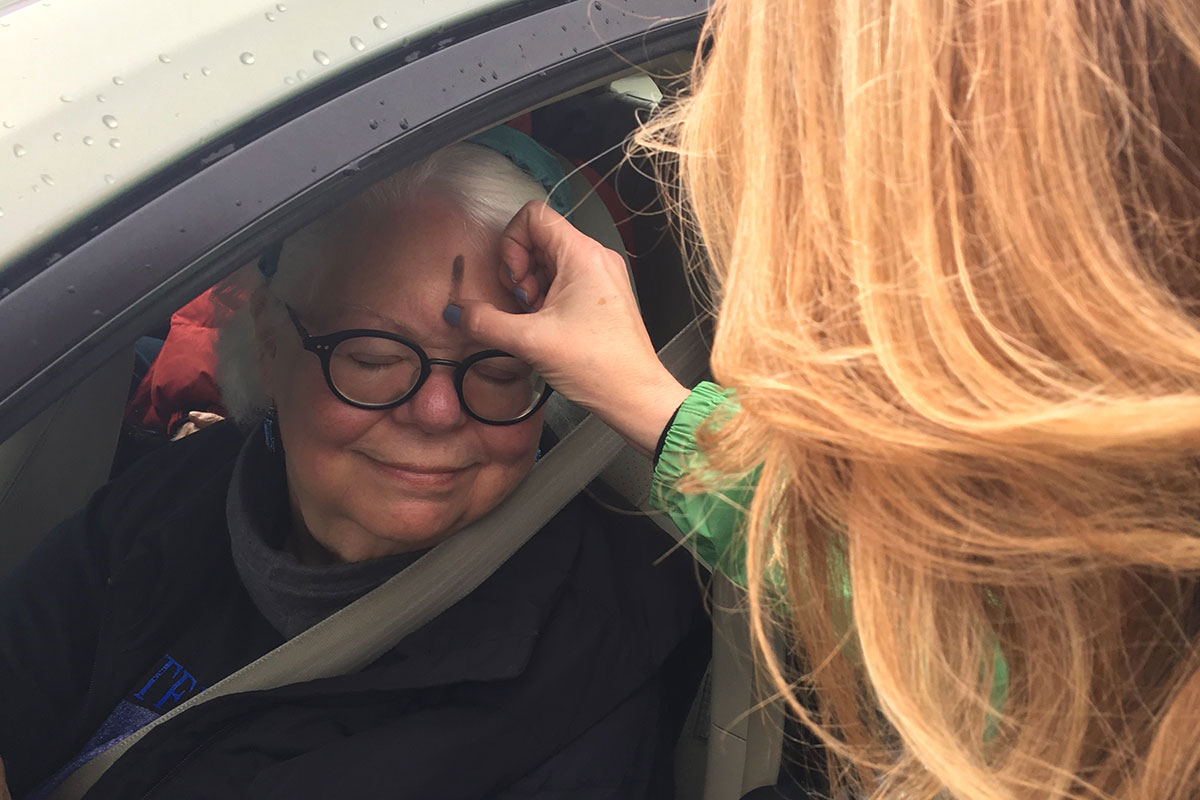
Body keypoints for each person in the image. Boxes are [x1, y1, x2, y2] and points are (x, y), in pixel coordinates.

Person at [450, 2, 1200, 798]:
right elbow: (927, 610)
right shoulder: (1123, 595)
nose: (751, 332)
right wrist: (653, 404)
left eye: (787, 229)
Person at [0, 132, 707, 799]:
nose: (436, 412)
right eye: (372, 358)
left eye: (498, 368)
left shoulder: (596, 654)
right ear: (271, 345)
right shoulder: (185, 492)